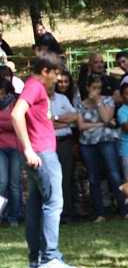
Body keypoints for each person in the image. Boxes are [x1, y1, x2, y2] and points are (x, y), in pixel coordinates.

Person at [11, 51, 77, 268]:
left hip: (37, 153)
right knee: (53, 204)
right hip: (42, 154)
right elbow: (16, 114)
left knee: (36, 207)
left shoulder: (36, 87)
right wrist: (28, 148)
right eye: (55, 74)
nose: (58, 79)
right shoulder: (35, 86)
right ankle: (50, 258)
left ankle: (36, 259)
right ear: (45, 71)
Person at [76, 75, 128, 223]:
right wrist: (100, 125)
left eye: (99, 88)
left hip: (106, 141)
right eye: (93, 88)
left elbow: (106, 118)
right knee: (93, 178)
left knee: (114, 174)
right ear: (87, 88)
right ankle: (100, 213)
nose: (96, 91)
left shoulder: (108, 101)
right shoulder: (80, 105)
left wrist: (98, 102)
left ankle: (124, 210)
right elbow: (81, 126)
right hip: (87, 144)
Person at [48, 78, 79, 224]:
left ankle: (66, 214)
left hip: (64, 142)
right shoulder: (40, 101)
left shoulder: (63, 98)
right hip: (48, 143)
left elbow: (74, 117)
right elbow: (44, 124)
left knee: (65, 177)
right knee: (49, 179)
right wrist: (64, 121)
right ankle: (52, 215)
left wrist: (55, 119)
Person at [0, 78, 20, 228]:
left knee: (14, 184)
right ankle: (1, 215)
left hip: (15, 147)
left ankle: (14, 216)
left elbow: (17, 123)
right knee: (2, 183)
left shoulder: (14, 103)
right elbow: (11, 123)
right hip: (0, 148)